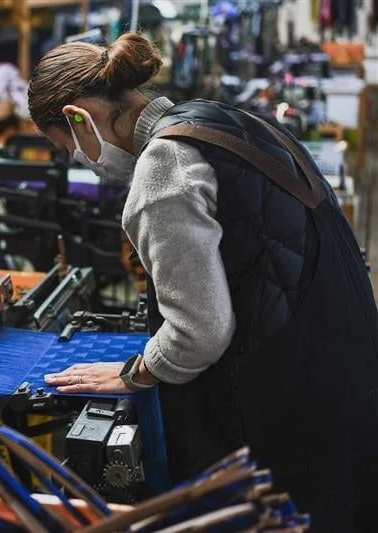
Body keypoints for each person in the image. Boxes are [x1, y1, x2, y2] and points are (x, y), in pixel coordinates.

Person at [31, 33, 378, 531]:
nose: (77, 160)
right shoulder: (218, 117)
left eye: (66, 148)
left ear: (79, 118)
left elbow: (199, 333)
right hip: (342, 375)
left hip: (286, 411)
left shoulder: (162, 169)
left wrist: (138, 371)